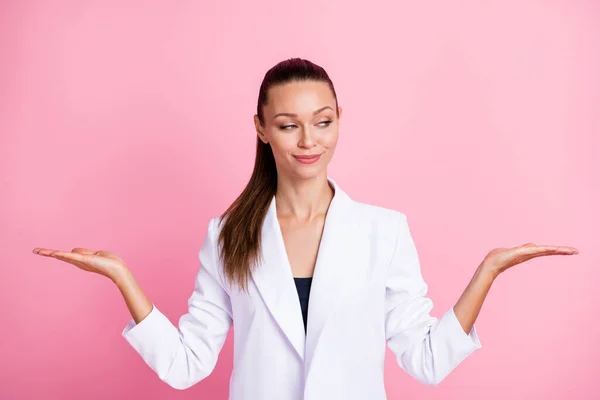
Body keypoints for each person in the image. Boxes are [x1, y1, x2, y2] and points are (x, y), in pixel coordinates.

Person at [32, 58, 579, 400]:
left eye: (323, 121)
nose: (308, 140)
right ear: (262, 129)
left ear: (340, 116)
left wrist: (488, 270)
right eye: (288, 125)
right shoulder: (228, 236)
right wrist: (122, 277)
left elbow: (427, 362)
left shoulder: (382, 232)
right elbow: (185, 367)